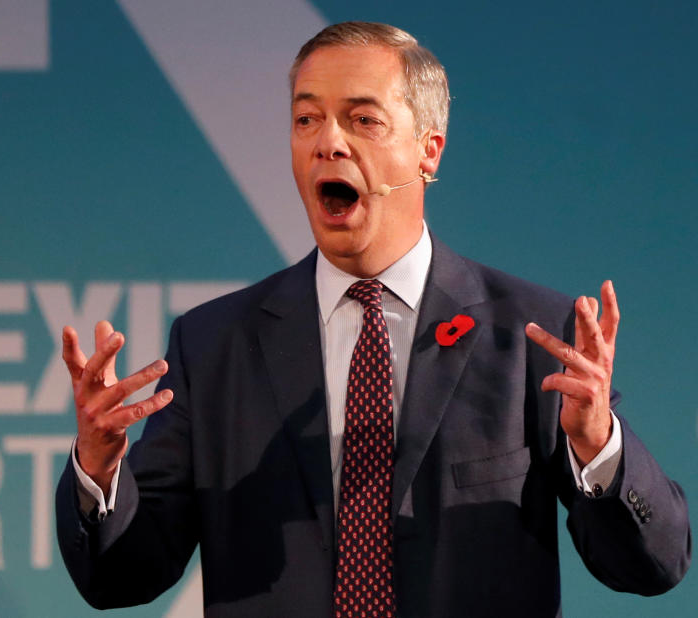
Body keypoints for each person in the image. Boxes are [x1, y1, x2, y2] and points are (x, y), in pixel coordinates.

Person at [55, 22, 690, 617]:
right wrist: (98, 470)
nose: (328, 141)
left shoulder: (528, 334)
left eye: (363, 119)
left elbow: (652, 567)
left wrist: (598, 445)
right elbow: (121, 578)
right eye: (307, 119)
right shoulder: (213, 344)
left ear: (428, 152)